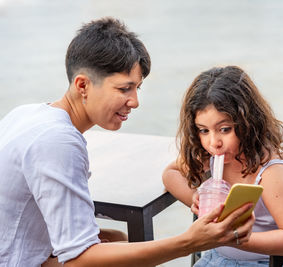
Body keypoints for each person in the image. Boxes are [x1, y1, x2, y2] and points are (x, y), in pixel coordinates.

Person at [0, 18, 256, 267]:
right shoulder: (59, 142)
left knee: (118, 240)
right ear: (82, 85)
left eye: (138, 89)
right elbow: (79, 259)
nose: (135, 101)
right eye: (124, 89)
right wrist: (188, 241)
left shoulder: (27, 114)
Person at [162, 65, 283, 266]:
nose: (214, 142)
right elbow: (171, 173)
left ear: (248, 123)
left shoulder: (271, 173)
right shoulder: (214, 157)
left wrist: (233, 237)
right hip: (218, 259)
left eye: (224, 129)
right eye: (203, 131)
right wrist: (195, 199)